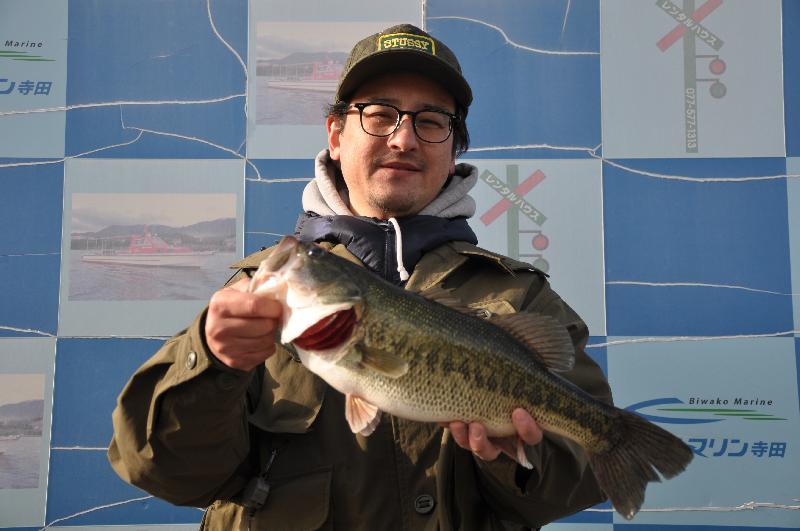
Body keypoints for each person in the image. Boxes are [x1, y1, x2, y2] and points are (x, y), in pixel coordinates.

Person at [108, 23, 613, 531]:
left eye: (431, 121)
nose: (403, 138)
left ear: (454, 150)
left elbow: (581, 480)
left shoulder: (522, 295)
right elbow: (165, 471)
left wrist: (515, 459)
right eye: (379, 115)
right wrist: (210, 363)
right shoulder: (255, 295)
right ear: (335, 134)